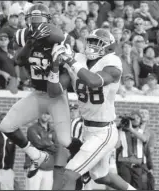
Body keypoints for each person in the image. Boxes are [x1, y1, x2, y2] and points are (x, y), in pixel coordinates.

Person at [0, 3, 81, 175]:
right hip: (36, 94)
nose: (36, 23)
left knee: (66, 140)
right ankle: (37, 156)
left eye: (40, 19)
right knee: (6, 126)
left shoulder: (60, 38)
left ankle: (86, 159)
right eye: (33, 19)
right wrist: (31, 43)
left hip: (56, 96)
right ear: (27, 20)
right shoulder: (23, 35)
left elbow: (60, 36)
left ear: (48, 21)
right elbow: (19, 60)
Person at [49, 28, 136, 190]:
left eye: (97, 43)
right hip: (87, 128)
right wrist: (55, 66)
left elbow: (94, 81)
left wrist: (70, 61)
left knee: (69, 173)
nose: (91, 46)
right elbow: (54, 91)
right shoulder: (78, 59)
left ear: (108, 47)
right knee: (102, 177)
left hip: (104, 131)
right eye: (90, 41)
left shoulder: (112, 62)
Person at [116, 110, 153, 189]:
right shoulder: (122, 132)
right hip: (124, 164)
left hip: (138, 166)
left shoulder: (144, 131)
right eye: (133, 118)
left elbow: (144, 139)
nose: (136, 119)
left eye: (138, 118)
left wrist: (131, 129)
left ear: (140, 121)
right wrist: (119, 129)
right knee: (125, 187)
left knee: (137, 187)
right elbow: (116, 146)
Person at [25, 113, 59, 190]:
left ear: (50, 115)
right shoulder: (32, 129)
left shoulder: (53, 130)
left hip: (49, 168)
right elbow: (38, 144)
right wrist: (50, 142)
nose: (45, 115)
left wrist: (42, 141)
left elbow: (56, 148)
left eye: (47, 113)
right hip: (34, 166)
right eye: (43, 113)